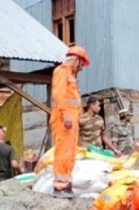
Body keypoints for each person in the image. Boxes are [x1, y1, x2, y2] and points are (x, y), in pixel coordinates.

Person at [50, 45, 90, 199]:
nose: (82, 68)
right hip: (64, 119)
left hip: (70, 119)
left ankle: (66, 184)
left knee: (70, 152)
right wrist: (65, 114)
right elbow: (58, 94)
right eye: (82, 64)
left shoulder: (70, 75)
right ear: (76, 60)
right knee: (63, 151)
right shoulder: (61, 71)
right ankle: (59, 186)